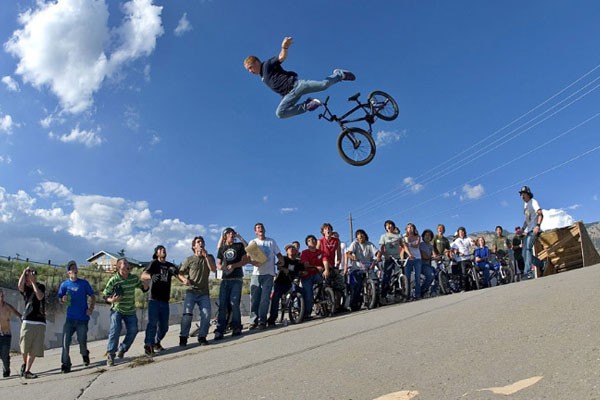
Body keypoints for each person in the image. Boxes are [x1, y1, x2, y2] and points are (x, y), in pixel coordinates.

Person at [244, 36, 355, 119]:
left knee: (324, 85)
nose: (250, 71)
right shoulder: (262, 77)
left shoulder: (267, 65)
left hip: (297, 86)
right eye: (248, 70)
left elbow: (281, 57)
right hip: (289, 95)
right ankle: (309, 104)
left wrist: (284, 47)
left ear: (256, 62)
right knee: (280, 113)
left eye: (250, 67)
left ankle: (339, 74)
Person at [102, 258, 149, 366]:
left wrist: (146, 283)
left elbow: (143, 288)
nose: (128, 265)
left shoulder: (133, 278)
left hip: (130, 310)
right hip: (117, 310)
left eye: (128, 263)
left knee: (134, 330)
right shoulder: (114, 280)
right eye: (125, 263)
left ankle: (122, 348)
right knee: (115, 330)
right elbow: (105, 296)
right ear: (119, 267)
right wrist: (112, 300)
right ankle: (111, 354)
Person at [58, 260, 95, 373]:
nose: (74, 270)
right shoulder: (64, 285)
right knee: (65, 341)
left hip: (82, 318)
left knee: (82, 341)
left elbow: (92, 296)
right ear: (68, 272)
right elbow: (60, 299)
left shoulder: (83, 283)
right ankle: (65, 364)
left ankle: (84, 354)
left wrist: (91, 308)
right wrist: (62, 300)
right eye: (71, 268)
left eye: (75, 268)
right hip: (70, 318)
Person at [178, 237, 217, 346]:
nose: (201, 244)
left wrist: (206, 256)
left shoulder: (209, 257)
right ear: (194, 246)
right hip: (191, 291)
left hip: (204, 292)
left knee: (206, 314)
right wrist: (184, 279)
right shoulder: (189, 259)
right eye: (198, 242)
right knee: (187, 314)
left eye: (202, 242)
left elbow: (213, 269)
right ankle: (183, 337)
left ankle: (202, 337)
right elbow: (179, 273)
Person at [141, 245, 179, 354]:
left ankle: (156, 342)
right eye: (160, 249)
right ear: (157, 253)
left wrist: (185, 280)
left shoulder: (169, 265)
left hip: (165, 300)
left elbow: (178, 274)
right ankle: (148, 345)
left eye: (164, 249)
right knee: (152, 323)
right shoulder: (153, 263)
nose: (163, 250)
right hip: (153, 299)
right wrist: (151, 276)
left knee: (164, 326)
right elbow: (143, 275)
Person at [248, 223, 284, 330]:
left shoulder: (271, 241)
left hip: (268, 274)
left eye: (262, 227)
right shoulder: (252, 242)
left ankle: (262, 321)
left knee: (265, 299)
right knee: (255, 299)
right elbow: (249, 258)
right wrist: (254, 262)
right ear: (255, 231)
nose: (260, 229)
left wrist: (281, 260)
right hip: (256, 274)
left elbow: (278, 254)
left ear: (265, 229)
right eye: (258, 228)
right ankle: (253, 321)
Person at [215, 228, 249, 339]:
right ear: (225, 236)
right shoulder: (222, 248)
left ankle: (236, 327)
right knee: (223, 305)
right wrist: (222, 267)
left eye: (232, 233)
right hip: (225, 280)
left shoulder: (239, 246)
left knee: (234, 304)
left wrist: (234, 266)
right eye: (229, 233)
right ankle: (220, 329)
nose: (231, 235)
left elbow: (245, 260)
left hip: (236, 279)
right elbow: (218, 264)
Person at [17, 266, 45, 379]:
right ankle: (25, 364)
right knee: (24, 347)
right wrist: (24, 272)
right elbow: (19, 285)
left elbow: (39, 296)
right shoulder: (25, 289)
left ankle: (27, 370)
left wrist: (34, 283)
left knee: (35, 347)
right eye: (29, 275)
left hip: (39, 321)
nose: (31, 276)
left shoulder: (40, 286)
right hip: (28, 320)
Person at [267, 244, 305, 326]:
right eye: (289, 248)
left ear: (296, 251)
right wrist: (284, 269)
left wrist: (303, 272)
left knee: (303, 292)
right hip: (280, 283)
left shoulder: (298, 262)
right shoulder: (283, 258)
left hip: (291, 283)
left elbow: (303, 270)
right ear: (286, 251)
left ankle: (302, 313)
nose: (291, 249)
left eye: (293, 248)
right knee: (276, 298)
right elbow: (278, 266)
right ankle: (272, 319)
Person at [345, 229, 381, 310]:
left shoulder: (369, 244)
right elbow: (348, 253)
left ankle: (375, 301)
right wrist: (352, 257)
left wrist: (378, 256)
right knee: (357, 285)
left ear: (365, 235)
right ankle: (354, 304)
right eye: (358, 235)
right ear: (357, 237)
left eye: (362, 234)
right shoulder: (355, 244)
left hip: (368, 267)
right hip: (357, 267)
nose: (360, 236)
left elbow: (377, 252)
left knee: (375, 281)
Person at [519, 185, 545, 278]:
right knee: (523, 253)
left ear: (528, 194)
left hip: (535, 230)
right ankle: (542, 264)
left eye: (523, 194)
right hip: (528, 231)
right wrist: (522, 229)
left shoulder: (533, 202)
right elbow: (527, 220)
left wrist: (537, 226)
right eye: (521, 195)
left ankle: (528, 272)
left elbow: (540, 214)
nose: (522, 196)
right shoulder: (525, 205)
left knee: (527, 249)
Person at [378, 220, 403, 303]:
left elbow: (404, 246)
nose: (389, 226)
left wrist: (409, 254)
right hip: (388, 258)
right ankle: (383, 296)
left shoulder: (398, 236)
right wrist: (382, 255)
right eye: (387, 225)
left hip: (397, 258)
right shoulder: (384, 236)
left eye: (390, 225)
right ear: (385, 228)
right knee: (386, 277)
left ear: (393, 226)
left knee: (398, 276)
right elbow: (381, 247)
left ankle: (398, 295)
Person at [300, 235, 324, 320]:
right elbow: (306, 264)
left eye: (314, 240)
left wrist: (328, 268)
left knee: (325, 284)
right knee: (309, 294)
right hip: (307, 276)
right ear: (307, 243)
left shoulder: (320, 252)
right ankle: (307, 313)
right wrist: (316, 267)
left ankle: (324, 306)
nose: (312, 241)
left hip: (317, 275)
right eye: (309, 240)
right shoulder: (304, 252)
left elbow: (325, 261)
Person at [0, 288, 22, 378]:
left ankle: (6, 370)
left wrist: (22, 319)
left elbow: (17, 314)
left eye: (2, 296)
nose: (1, 298)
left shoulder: (7, 307)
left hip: (6, 334)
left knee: (4, 354)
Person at [403, 223, 422, 300]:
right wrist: (409, 254)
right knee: (407, 277)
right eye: (408, 227)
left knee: (417, 276)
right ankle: (407, 295)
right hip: (408, 259)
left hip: (417, 258)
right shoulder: (404, 237)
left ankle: (418, 294)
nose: (410, 228)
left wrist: (408, 243)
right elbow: (404, 246)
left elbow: (416, 245)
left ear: (414, 229)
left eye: (411, 227)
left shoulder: (418, 237)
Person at [419, 229, 435, 297]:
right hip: (422, 265)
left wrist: (437, 256)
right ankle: (422, 290)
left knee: (437, 273)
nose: (428, 237)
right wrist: (432, 257)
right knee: (430, 275)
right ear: (423, 236)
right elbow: (424, 256)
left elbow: (434, 254)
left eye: (429, 235)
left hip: (429, 265)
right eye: (426, 235)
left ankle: (433, 291)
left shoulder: (431, 246)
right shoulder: (421, 245)